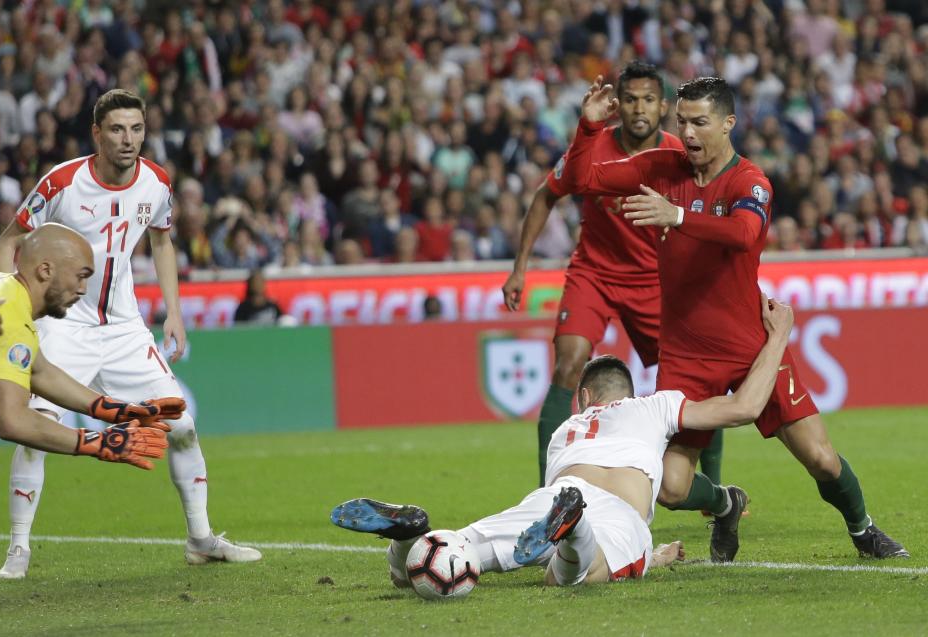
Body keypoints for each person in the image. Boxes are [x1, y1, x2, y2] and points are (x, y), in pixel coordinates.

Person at [559, 75, 907, 559]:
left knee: (822, 460)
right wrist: (588, 129)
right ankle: (726, 505)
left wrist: (676, 217)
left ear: (728, 123)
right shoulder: (663, 167)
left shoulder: (750, 181)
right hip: (684, 353)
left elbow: (745, 234)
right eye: (682, 123)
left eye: (701, 123)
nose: (690, 135)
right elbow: (581, 181)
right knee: (673, 487)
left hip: (750, 346)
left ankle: (862, 527)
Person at [331, 295, 794, 587]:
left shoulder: (564, 432)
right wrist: (778, 337)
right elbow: (745, 408)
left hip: (552, 495)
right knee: (572, 575)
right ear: (626, 393)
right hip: (616, 510)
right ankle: (576, 529)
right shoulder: (654, 406)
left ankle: (405, 545)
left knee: (462, 551)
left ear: (585, 397)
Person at [0, 89, 262, 580]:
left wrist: (173, 313)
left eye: (136, 129)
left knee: (180, 427)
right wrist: (11, 311)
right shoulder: (63, 183)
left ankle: (201, 540)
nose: (128, 139)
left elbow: (162, 241)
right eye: (117, 129)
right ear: (97, 133)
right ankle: (18, 547)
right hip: (62, 324)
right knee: (36, 428)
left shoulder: (157, 182)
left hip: (123, 329)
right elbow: (9, 239)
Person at [501, 61, 725, 488]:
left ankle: (715, 487)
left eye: (648, 100)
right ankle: (548, 489)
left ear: (662, 107)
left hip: (656, 284)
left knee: (693, 386)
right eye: (630, 99)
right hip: (595, 274)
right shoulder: (593, 147)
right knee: (568, 365)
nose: (638, 108)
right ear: (616, 104)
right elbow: (547, 194)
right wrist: (519, 269)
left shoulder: (681, 154)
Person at [0, 223, 177, 469]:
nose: (82, 290)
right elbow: (12, 421)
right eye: (80, 276)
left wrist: (116, 410)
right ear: (45, 270)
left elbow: (41, 373)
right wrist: (97, 442)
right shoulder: (13, 323)